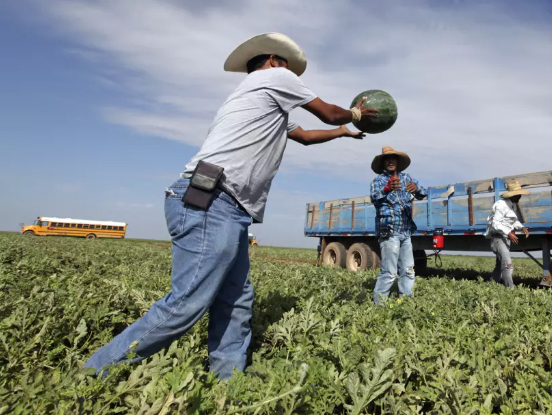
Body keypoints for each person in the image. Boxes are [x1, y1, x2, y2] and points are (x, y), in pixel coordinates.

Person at [84, 32, 376, 380]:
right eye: (288, 67)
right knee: (186, 304)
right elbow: (327, 112)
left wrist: (343, 132)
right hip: (212, 200)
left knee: (237, 299)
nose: (293, 75)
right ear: (272, 61)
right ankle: (91, 374)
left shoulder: (261, 101)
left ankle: (228, 381)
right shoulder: (274, 79)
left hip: (223, 205)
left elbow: (307, 135)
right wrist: (356, 113)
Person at [370, 146, 427, 305]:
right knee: (389, 272)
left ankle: (406, 303)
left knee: (408, 270)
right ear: (382, 163)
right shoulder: (379, 181)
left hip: (405, 231)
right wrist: (387, 188)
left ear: (397, 161)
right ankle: (379, 307)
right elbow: (374, 198)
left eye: (393, 158)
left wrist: (417, 189)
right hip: (389, 231)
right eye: (387, 159)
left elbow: (423, 192)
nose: (390, 161)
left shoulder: (407, 178)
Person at [484, 180, 531, 288]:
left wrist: (522, 227)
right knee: (507, 264)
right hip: (498, 238)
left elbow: (513, 221)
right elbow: (496, 223)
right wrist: (509, 233)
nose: (520, 196)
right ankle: (510, 289)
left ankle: (492, 284)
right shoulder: (501, 205)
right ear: (513, 195)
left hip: (505, 238)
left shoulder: (512, 205)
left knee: (500, 264)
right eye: (518, 194)